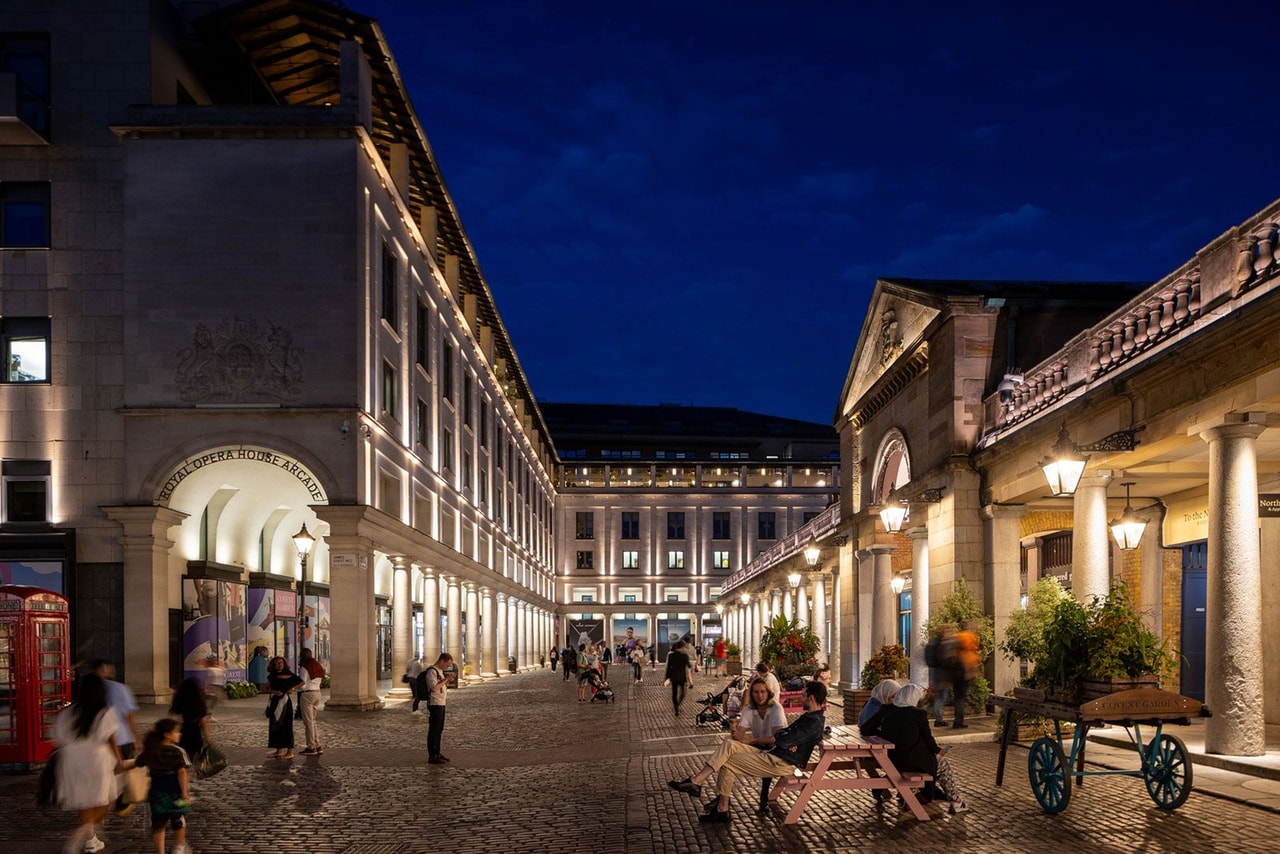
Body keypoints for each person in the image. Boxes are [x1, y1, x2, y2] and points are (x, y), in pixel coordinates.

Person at [667, 680, 829, 824]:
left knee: (727, 761)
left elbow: (781, 737)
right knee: (729, 745)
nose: (802, 698)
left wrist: (786, 739)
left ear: (811, 698)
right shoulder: (809, 717)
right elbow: (785, 736)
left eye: (803, 695)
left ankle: (717, 804)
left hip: (782, 762)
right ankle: (698, 783)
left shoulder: (813, 722)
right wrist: (787, 738)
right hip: (775, 754)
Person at [53, 673, 123, 854]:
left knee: (84, 799)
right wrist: (119, 760)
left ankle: (91, 839)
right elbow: (111, 738)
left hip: (72, 758)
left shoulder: (67, 712)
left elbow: (58, 738)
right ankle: (84, 832)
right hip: (97, 757)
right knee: (105, 797)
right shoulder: (105, 711)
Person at [877, 682, 969, 814]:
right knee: (944, 766)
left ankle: (913, 796)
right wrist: (938, 751)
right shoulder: (918, 714)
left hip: (895, 761)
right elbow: (928, 738)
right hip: (913, 762)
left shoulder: (888, 716)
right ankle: (956, 802)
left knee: (934, 763)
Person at [89, 660, 139, 818]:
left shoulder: (86, 689)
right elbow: (129, 715)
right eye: (107, 669)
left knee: (103, 776)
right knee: (124, 774)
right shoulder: (120, 688)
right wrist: (136, 738)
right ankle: (120, 803)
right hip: (122, 738)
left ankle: (100, 812)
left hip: (96, 742)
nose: (110, 671)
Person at [136, 719, 192, 854]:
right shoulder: (178, 751)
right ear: (167, 734)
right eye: (177, 732)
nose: (180, 734)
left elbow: (138, 762)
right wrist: (185, 792)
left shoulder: (151, 750)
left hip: (157, 791)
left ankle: (160, 852)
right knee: (178, 819)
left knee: (159, 824)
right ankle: (179, 847)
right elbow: (182, 772)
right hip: (175, 791)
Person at [266, 656, 304, 760]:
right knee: (275, 725)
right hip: (275, 702)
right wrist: (274, 692)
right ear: (273, 664)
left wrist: (292, 688)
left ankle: (289, 751)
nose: (279, 664)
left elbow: (301, 682)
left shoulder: (289, 674)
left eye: (281, 662)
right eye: (277, 663)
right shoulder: (272, 676)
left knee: (286, 725)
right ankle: (278, 750)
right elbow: (267, 688)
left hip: (286, 702)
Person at [732, 678, 786, 746]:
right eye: (756, 692)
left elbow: (776, 738)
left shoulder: (776, 708)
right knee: (730, 744)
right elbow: (739, 738)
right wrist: (734, 730)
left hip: (776, 749)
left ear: (768, 693)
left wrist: (752, 741)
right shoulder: (748, 709)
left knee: (731, 747)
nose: (760, 696)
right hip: (759, 748)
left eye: (763, 692)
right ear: (752, 694)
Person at [168, 678, 210, 764]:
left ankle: (184, 769)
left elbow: (175, 718)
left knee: (182, 755)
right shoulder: (198, 703)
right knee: (193, 755)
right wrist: (207, 737)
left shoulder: (179, 701)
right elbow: (203, 722)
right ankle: (189, 769)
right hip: (195, 732)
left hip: (182, 732)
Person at [425, 652, 454, 764]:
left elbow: (440, 685)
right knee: (434, 730)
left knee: (439, 729)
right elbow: (434, 688)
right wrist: (446, 680)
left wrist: (446, 680)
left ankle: (437, 752)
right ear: (442, 661)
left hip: (441, 703)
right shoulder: (432, 672)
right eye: (447, 664)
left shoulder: (440, 672)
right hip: (435, 703)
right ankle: (432, 755)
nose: (447, 667)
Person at [951, 622, 980, 729]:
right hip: (962, 672)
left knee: (958, 697)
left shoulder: (958, 637)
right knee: (960, 698)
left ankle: (958, 720)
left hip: (956, 672)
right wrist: (969, 671)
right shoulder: (967, 639)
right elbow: (966, 657)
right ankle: (958, 721)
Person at [298, 648, 325, 755]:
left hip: (307, 694)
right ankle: (317, 745)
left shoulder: (305, 667)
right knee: (313, 721)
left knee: (308, 722)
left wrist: (293, 688)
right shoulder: (317, 665)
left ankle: (311, 747)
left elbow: (303, 683)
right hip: (317, 693)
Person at [925, 628, 953, 727]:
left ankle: (939, 719)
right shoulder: (942, 645)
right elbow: (945, 662)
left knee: (940, 697)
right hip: (941, 675)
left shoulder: (935, 644)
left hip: (937, 674)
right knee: (941, 698)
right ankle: (939, 720)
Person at [664, 640, 694, 715]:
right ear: (682, 647)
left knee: (674, 693)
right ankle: (678, 704)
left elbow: (668, 667)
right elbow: (689, 665)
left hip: (673, 677)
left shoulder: (671, 655)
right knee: (683, 692)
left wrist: (667, 677)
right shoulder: (684, 656)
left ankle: (675, 706)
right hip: (682, 677)